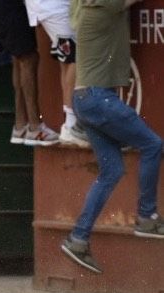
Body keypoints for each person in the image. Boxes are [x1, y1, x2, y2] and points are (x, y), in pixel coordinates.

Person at [60, 0, 163, 274]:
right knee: (153, 144)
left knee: (112, 170)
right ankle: (147, 216)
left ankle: (78, 239)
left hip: (86, 99)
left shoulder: (83, 6)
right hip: (98, 98)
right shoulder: (105, 3)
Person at [0, 0, 59, 146]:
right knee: (28, 58)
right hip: (6, 5)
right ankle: (35, 127)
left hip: (2, 6)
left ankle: (20, 124)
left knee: (19, 57)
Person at [24, 0, 88, 147]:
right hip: (53, 9)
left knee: (68, 60)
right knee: (77, 58)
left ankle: (70, 123)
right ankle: (71, 125)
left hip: (56, 8)